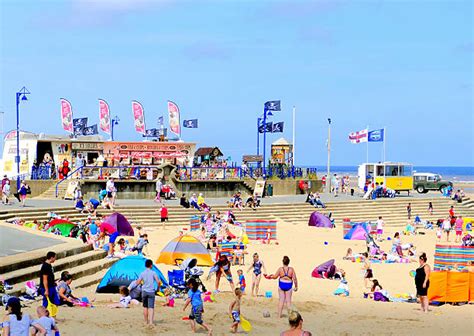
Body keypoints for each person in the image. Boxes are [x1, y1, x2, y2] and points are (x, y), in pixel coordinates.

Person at [137, 259, 161, 325]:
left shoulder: (142, 273)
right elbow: (158, 282)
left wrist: (141, 284)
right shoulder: (153, 273)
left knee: (145, 307)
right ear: (151, 265)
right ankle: (151, 322)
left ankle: (145, 321)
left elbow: (138, 282)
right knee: (151, 307)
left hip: (144, 291)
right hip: (151, 291)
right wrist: (158, 289)